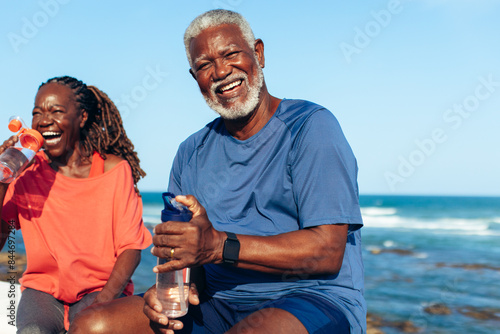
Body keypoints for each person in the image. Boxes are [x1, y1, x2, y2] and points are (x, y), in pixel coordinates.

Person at [69, 9, 366, 334]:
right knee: (91, 324)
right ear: (194, 78)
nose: (221, 71)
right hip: (215, 302)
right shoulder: (190, 152)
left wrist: (218, 245)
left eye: (231, 54)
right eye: (204, 65)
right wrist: (168, 290)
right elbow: (183, 252)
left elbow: (327, 250)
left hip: (310, 298)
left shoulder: (310, 127)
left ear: (259, 53)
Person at [0, 76, 153, 334]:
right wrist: (3, 180)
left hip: (100, 289)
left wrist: (102, 305)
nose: (44, 120)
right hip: (43, 290)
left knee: (88, 328)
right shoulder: (26, 171)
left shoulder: (114, 171)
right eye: (37, 113)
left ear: (81, 117)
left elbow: (131, 249)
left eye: (56, 111)